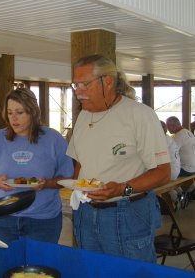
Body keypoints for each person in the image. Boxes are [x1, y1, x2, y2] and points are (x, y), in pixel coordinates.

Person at [67, 54, 170, 263]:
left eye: (84, 84)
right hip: (86, 213)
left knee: (131, 273)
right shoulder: (83, 116)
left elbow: (163, 172)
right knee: (92, 271)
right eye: (75, 85)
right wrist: (76, 190)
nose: (78, 92)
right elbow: (80, 164)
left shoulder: (140, 115)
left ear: (108, 81)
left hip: (127, 212)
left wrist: (123, 188)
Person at [0, 88, 73, 247]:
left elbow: (67, 179)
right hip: (1, 219)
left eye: (20, 112)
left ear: (33, 112)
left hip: (43, 220)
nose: (13, 118)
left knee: (38, 270)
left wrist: (46, 184)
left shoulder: (54, 139)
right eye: (10, 112)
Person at [166, 116, 195, 201]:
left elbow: (170, 154)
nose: (167, 130)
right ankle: (183, 191)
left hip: (186, 169)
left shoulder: (178, 136)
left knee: (163, 175)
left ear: (172, 126)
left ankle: (175, 195)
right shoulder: (188, 132)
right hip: (193, 168)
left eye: (168, 127)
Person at [160, 120, 183, 210]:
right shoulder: (168, 138)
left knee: (148, 179)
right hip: (176, 170)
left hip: (171, 172)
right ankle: (178, 190)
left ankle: (172, 194)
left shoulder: (161, 140)